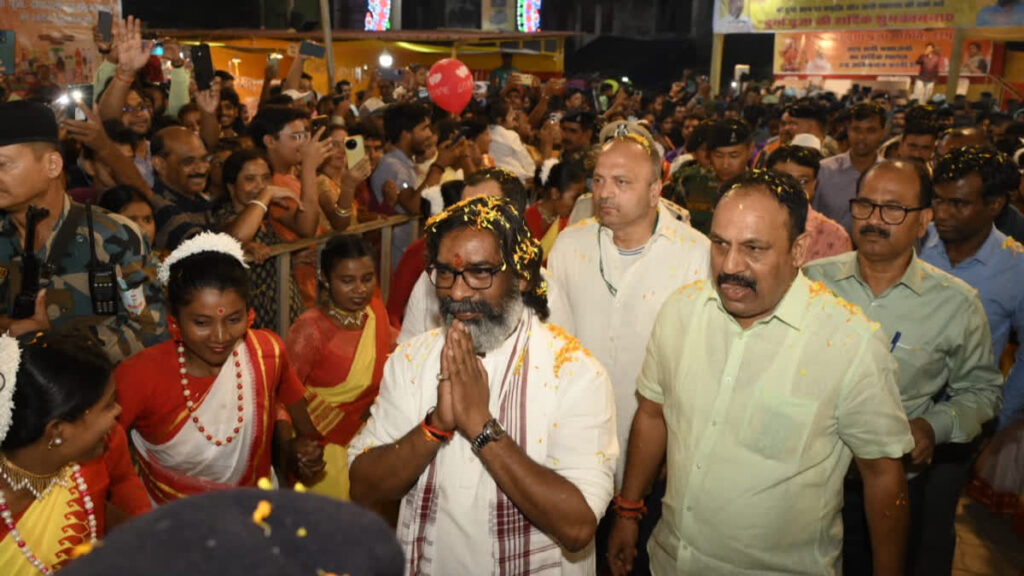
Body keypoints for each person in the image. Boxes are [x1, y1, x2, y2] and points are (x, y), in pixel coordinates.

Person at [608, 169, 913, 576]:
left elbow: (883, 478)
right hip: (669, 560)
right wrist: (629, 510)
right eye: (720, 244)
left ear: (799, 250)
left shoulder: (849, 343)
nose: (731, 265)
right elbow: (652, 414)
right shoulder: (681, 312)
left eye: (754, 248)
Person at [349, 195, 618, 575]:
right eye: (446, 273)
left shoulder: (574, 373)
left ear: (522, 275)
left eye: (480, 273)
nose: (458, 293)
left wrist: (480, 425)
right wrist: (434, 427)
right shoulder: (412, 360)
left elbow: (577, 527)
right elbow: (363, 487)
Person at [804, 160, 1003, 576]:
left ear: (924, 221)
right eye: (865, 205)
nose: (874, 220)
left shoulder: (956, 304)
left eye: (893, 209)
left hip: (894, 487)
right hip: (806, 479)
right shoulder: (810, 283)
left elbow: (981, 392)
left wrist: (932, 426)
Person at [547, 130, 709, 576]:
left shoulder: (695, 255)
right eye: (599, 180)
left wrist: (674, 447)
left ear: (656, 190)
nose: (604, 192)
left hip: (658, 459)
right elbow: (554, 352)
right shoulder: (570, 246)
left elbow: (697, 368)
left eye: (622, 182)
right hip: (575, 452)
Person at [115, 232, 325, 504]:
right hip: (168, 519)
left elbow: (301, 430)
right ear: (174, 319)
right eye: (202, 323)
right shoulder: (139, 375)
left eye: (234, 319)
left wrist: (296, 451)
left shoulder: (267, 353)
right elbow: (100, 461)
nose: (221, 336)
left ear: (249, 313)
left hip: (254, 513)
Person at [0, 100, 168, 363]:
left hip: (95, 386)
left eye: (3, 164)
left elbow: (151, 331)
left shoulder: (114, 236)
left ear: (52, 165)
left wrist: (51, 340)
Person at [0, 331, 151, 575]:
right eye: (108, 405)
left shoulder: (100, 446)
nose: (118, 411)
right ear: (58, 431)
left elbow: (115, 492)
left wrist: (149, 539)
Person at [286, 235, 397, 500]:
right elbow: (284, 394)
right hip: (323, 446)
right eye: (347, 281)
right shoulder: (309, 330)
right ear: (324, 278)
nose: (360, 289)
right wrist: (298, 445)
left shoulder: (375, 315)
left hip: (369, 439)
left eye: (367, 279)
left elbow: (400, 353)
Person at [923, 147, 1023, 430]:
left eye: (958, 203)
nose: (942, 213)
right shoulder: (914, 244)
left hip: (968, 423)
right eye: (938, 199)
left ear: (995, 204)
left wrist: (1002, 416)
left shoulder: (1016, 268)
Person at [215, 149, 303, 330]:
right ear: (231, 186)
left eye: (266, 178)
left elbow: (307, 226)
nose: (260, 186)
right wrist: (266, 194)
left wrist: (289, 259)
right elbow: (238, 236)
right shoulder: (224, 216)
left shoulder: (268, 216)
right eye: (250, 179)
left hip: (286, 316)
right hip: (257, 324)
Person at [766, 145, 851, 262]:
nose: (793, 188)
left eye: (802, 181)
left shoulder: (834, 236)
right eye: (784, 180)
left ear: (815, 185)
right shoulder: (749, 225)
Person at [814, 102, 887, 234]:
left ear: (883, 132)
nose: (862, 137)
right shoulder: (824, 171)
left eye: (870, 131)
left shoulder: (890, 174)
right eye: (856, 130)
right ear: (847, 130)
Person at [525, 160, 587, 260]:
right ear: (555, 193)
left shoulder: (570, 222)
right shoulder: (527, 221)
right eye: (575, 198)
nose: (577, 203)